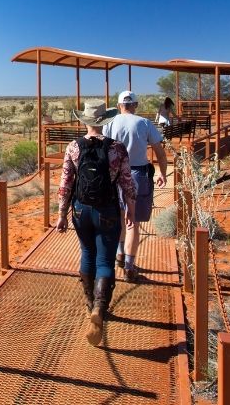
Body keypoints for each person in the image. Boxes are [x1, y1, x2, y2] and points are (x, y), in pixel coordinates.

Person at [56, 100, 136, 346]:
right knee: (105, 259)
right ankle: (99, 310)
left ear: (85, 121)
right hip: (108, 209)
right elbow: (126, 182)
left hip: (81, 210)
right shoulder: (117, 149)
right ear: (104, 121)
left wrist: (61, 214)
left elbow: (66, 183)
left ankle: (90, 304)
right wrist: (131, 209)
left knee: (87, 252)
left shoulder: (73, 147)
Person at [103, 91, 168, 281]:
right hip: (137, 175)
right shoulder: (144, 123)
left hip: (114, 176)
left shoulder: (110, 123)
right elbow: (160, 153)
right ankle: (129, 266)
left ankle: (119, 254)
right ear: (136, 105)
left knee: (119, 218)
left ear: (118, 105)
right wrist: (162, 174)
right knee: (133, 222)